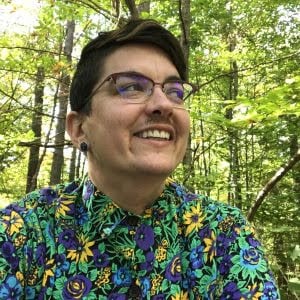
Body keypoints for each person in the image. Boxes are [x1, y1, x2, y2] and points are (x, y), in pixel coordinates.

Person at [0, 19, 279, 299]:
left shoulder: (223, 231)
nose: (163, 104)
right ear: (79, 128)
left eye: (175, 91)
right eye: (131, 86)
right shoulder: (21, 233)